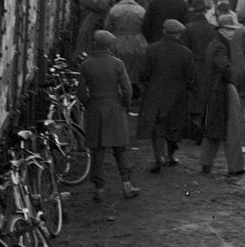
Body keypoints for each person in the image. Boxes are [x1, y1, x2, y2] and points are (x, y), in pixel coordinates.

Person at [80, 29, 139, 202]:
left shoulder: (86, 64)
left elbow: (81, 92)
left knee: (97, 151)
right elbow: (127, 90)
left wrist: (89, 104)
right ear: (110, 45)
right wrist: (126, 105)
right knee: (121, 149)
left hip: (95, 108)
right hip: (114, 108)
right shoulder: (117, 63)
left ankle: (99, 188)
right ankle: (127, 185)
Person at [136, 19, 196, 173]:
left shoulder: (152, 49)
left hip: (154, 94)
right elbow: (191, 76)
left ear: (164, 31)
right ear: (179, 34)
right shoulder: (186, 53)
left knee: (158, 127)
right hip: (177, 96)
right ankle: (170, 156)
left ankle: (158, 158)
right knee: (174, 126)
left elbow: (143, 73)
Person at [200, 9, 245, 176]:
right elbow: (224, 66)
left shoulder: (214, 43)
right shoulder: (220, 46)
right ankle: (236, 167)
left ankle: (206, 164)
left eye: (233, 29)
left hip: (214, 91)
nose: (232, 32)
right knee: (232, 129)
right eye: (229, 29)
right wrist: (231, 79)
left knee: (213, 130)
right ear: (221, 29)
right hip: (222, 90)